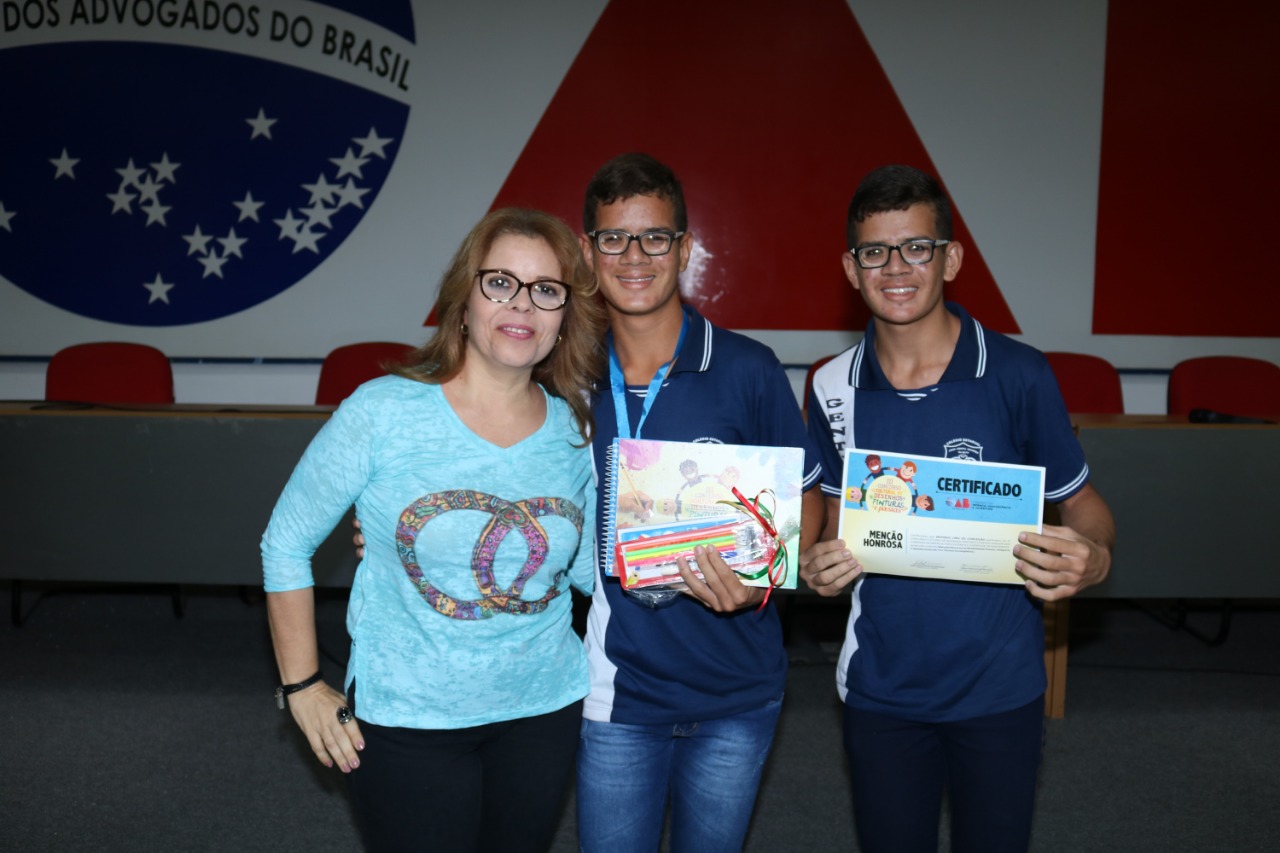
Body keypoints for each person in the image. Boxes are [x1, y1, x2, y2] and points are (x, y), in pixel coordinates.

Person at [261, 207, 606, 852]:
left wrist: (695, 556)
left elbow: (589, 570)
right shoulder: (382, 412)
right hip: (407, 719)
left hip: (543, 709)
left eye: (546, 289)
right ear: (464, 302)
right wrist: (301, 686)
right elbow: (285, 543)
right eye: (500, 282)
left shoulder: (575, 430)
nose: (522, 304)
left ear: (565, 316)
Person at [802, 164, 1115, 853]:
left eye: (916, 247)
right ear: (851, 269)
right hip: (880, 686)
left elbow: (1085, 506)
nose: (896, 267)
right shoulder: (829, 385)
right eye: (875, 251)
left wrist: (1092, 556)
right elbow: (828, 520)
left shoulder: (1019, 373)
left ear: (951, 259)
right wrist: (814, 563)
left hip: (1000, 685)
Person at [574, 153, 825, 852]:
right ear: (588, 252)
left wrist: (763, 578)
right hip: (619, 687)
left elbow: (806, 499)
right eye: (614, 238)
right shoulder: (566, 373)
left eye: (654, 237)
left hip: (736, 689)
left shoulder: (748, 368)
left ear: (684, 249)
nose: (634, 256)